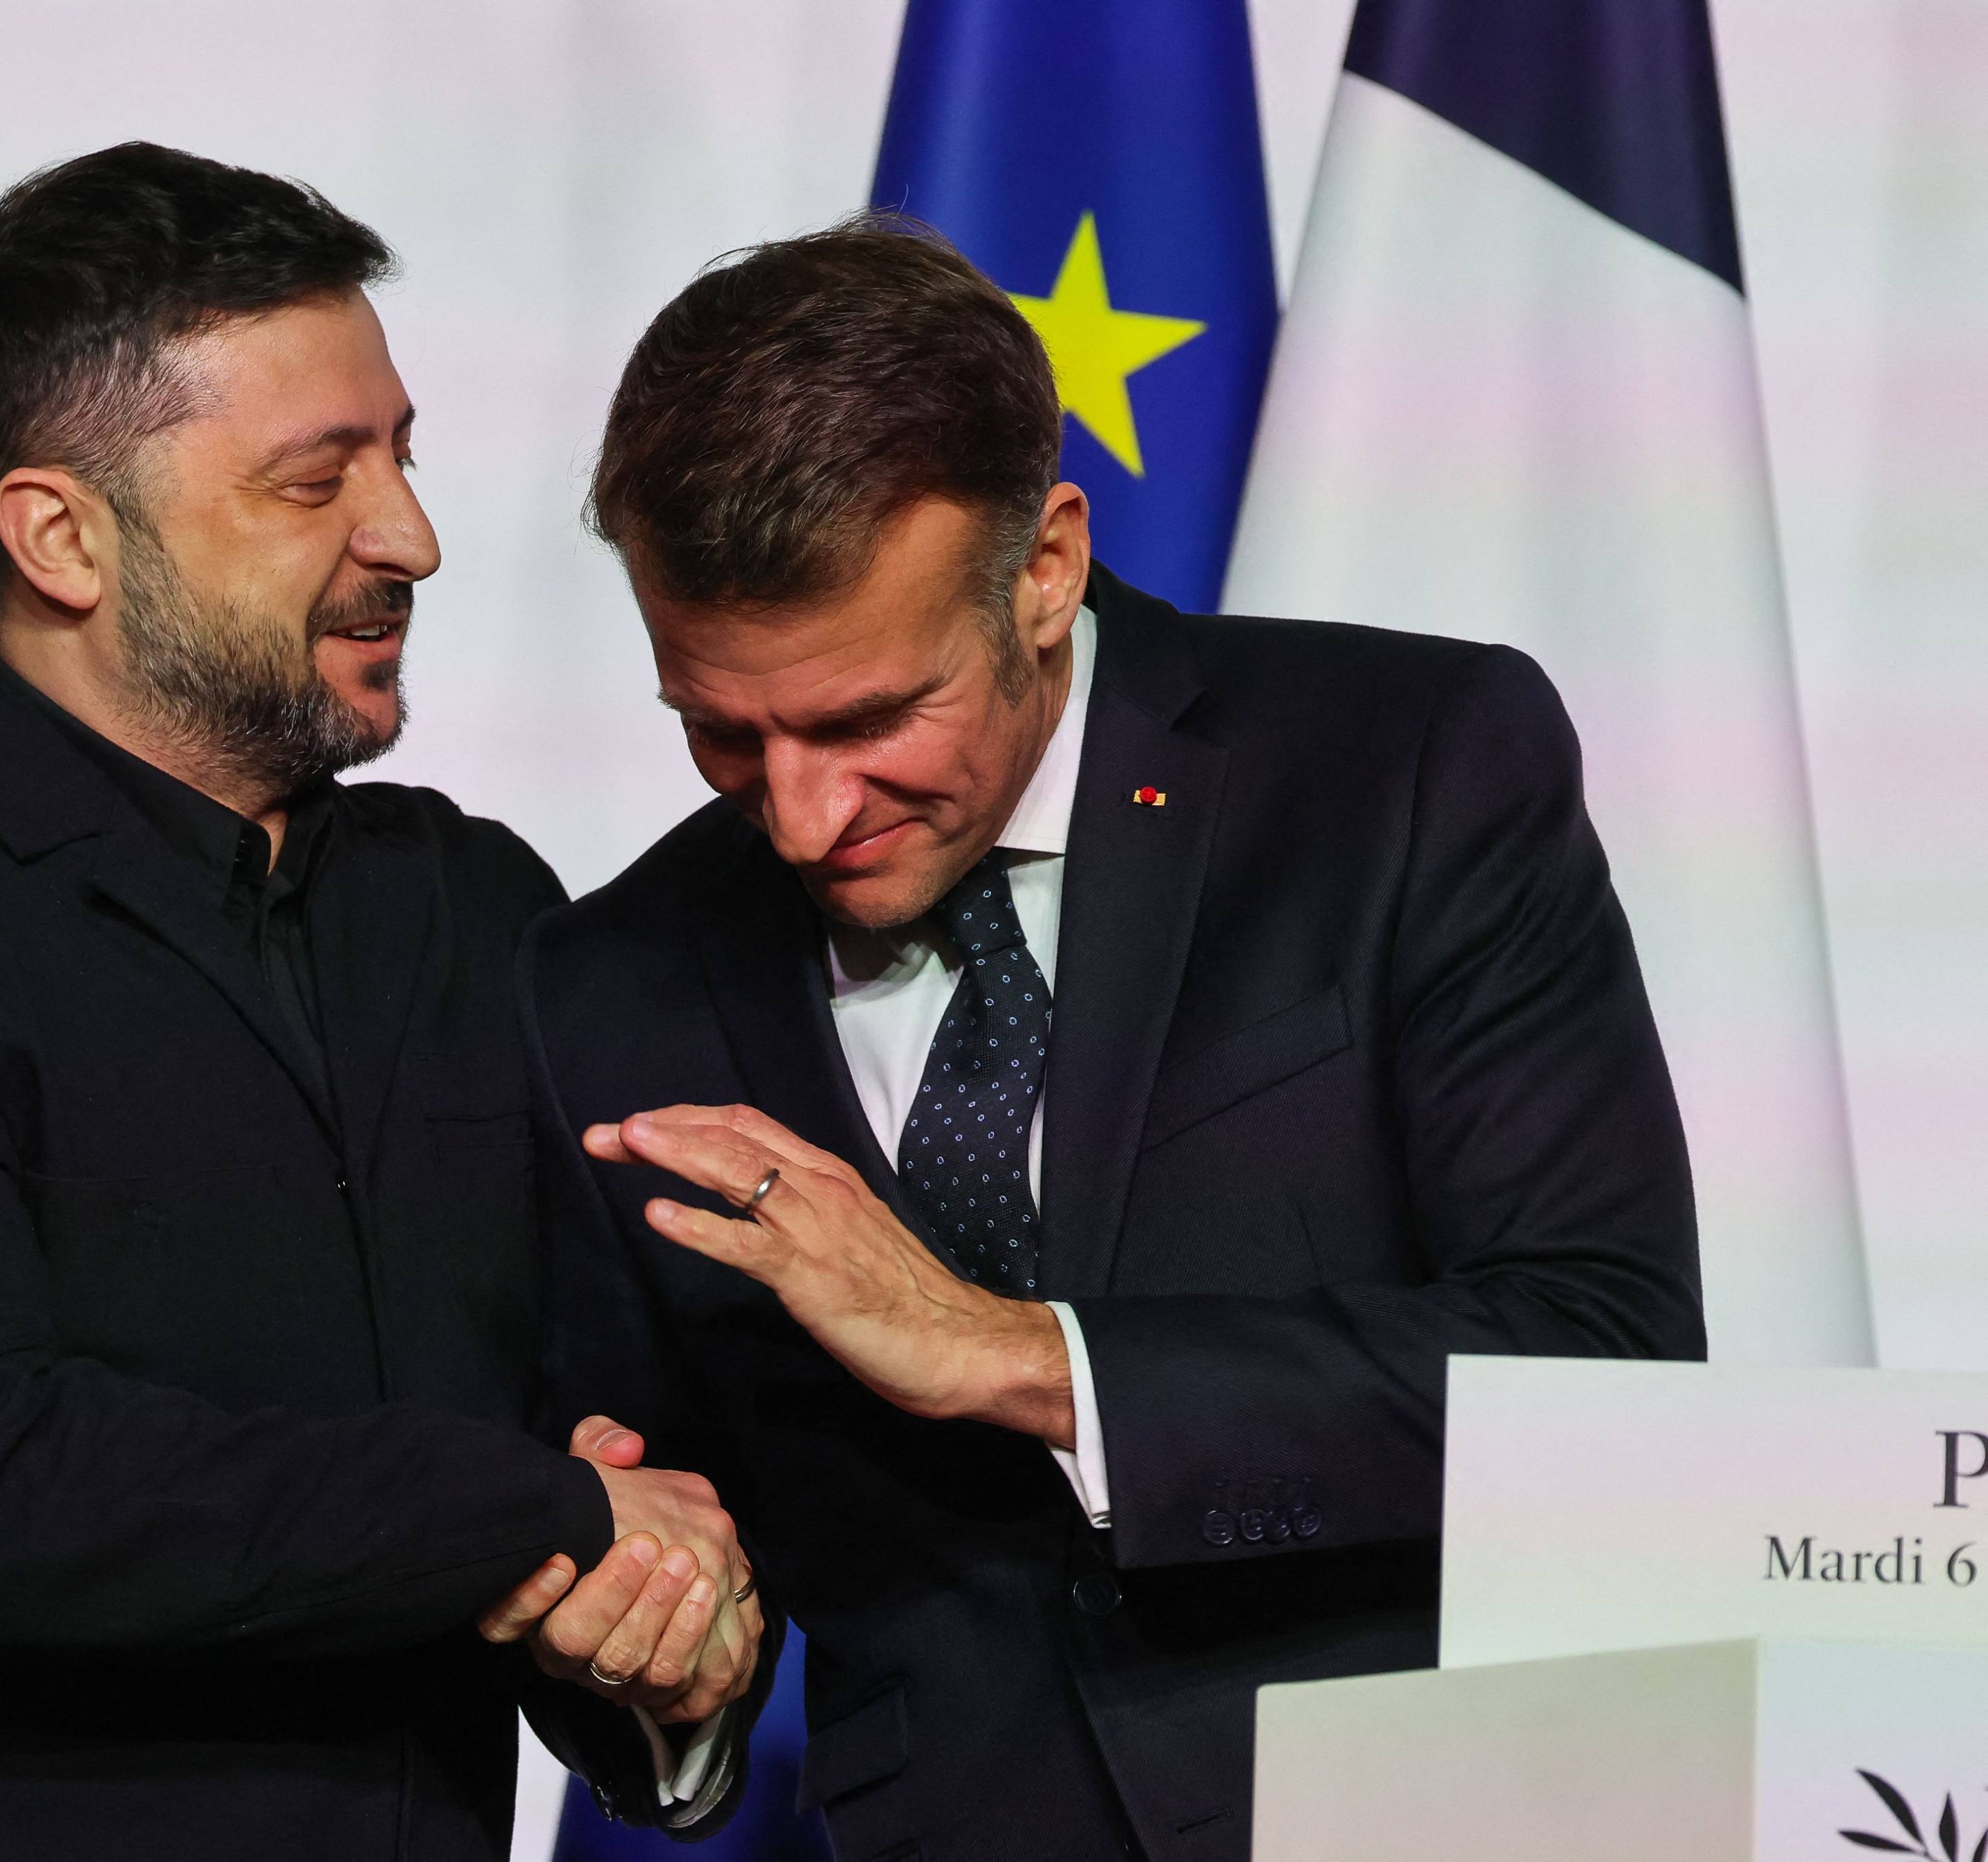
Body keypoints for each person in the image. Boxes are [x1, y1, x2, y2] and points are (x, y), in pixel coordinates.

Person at [518, 221, 1706, 1861]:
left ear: (1045, 566)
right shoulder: (609, 980)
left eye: (868, 719)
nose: (797, 816)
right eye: (721, 729)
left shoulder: (1404, 770)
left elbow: (1605, 1367)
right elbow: (666, 1553)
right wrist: (661, 1647)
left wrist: (1016, 1357)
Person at [0, 142, 758, 1862]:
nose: (414, 538)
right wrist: (526, 1511)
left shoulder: (470, 907)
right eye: (315, 482)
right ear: (61, 537)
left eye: (400, 456)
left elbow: (611, 1436)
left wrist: (662, 1643)